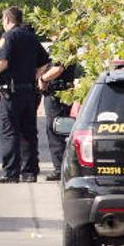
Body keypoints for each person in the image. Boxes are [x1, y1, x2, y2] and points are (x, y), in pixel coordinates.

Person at [0, 6, 50, 183]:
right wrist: (33, 76)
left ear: (7, 20)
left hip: (10, 93)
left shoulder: (8, 37)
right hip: (29, 92)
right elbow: (45, 62)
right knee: (28, 132)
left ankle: (11, 173)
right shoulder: (31, 37)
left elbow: (3, 62)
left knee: (9, 132)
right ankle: (29, 172)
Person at [37, 48, 80, 181]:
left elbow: (58, 69)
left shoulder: (64, 45)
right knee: (60, 129)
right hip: (60, 92)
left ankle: (60, 169)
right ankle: (63, 167)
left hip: (58, 93)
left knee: (56, 129)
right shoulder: (64, 44)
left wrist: (43, 79)